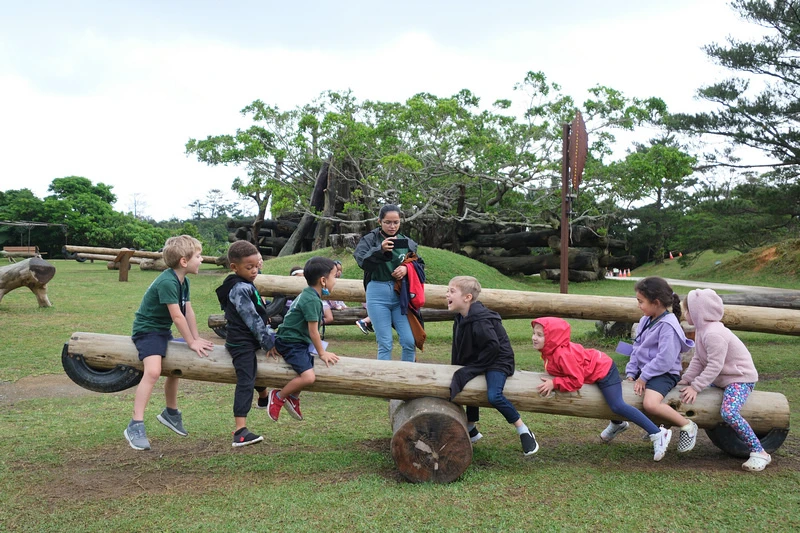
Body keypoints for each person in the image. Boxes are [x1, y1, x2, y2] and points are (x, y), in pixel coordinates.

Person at [531, 317, 672, 461]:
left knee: (617, 405)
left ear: (553, 338)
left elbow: (576, 380)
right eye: (534, 333)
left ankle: (658, 433)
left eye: (540, 335)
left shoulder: (562, 354)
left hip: (604, 370)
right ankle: (618, 424)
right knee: (607, 399)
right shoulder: (551, 350)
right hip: (592, 371)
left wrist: (554, 384)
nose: (534, 338)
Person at [124, 235, 215, 451]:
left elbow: (188, 310)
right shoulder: (167, 281)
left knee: (175, 369)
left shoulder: (184, 281)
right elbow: (177, 316)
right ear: (184, 261)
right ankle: (135, 424)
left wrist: (196, 337)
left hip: (161, 331)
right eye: (199, 256)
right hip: (147, 331)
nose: (201, 260)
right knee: (153, 372)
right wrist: (191, 342)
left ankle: (170, 413)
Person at [679, 289, 771, 471]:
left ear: (699, 313)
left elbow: (714, 366)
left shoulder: (714, 334)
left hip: (740, 379)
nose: (685, 314)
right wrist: (687, 379)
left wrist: (696, 387)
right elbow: (698, 359)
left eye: (687, 310)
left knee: (729, 412)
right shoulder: (701, 330)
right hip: (723, 378)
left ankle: (759, 451)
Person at [447, 276, 539, 456]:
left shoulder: (481, 320)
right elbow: (458, 349)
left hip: (498, 360)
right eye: (447, 291)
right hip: (482, 358)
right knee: (467, 382)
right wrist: (459, 370)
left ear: (467, 298)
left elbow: (493, 347)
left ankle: (523, 430)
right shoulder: (460, 318)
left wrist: (473, 368)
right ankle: (471, 427)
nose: (446, 295)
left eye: (451, 291)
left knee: (494, 395)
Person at [626, 277, 698, 455]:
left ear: (656, 302)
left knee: (650, 404)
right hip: (648, 370)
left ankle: (687, 425)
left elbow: (665, 360)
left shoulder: (668, 326)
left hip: (665, 373)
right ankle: (654, 425)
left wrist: (643, 377)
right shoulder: (646, 319)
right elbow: (636, 348)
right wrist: (631, 372)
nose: (638, 305)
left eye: (641, 301)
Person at [216, 240, 276, 447]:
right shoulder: (239, 288)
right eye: (249, 267)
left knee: (254, 368)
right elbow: (251, 318)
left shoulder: (244, 283)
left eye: (257, 266)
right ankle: (240, 431)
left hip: (248, 340)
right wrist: (268, 341)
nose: (254, 271)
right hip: (241, 343)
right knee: (246, 379)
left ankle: (263, 397)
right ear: (234, 267)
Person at [265, 256, 340, 421]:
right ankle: (278, 396)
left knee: (308, 365)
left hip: (297, 341)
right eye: (334, 276)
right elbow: (313, 332)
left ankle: (293, 397)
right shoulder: (311, 300)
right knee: (308, 377)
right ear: (323, 280)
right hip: (291, 343)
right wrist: (322, 353)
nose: (336, 280)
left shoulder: (308, 294)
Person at [353, 204, 423, 361]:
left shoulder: (407, 242)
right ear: (379, 221)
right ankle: (382, 380)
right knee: (385, 342)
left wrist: (407, 269)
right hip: (377, 292)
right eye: (388, 222)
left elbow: (419, 264)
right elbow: (362, 262)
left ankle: (406, 379)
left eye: (396, 222)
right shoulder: (370, 239)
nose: (392, 226)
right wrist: (380, 250)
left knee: (409, 341)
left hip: (400, 295)